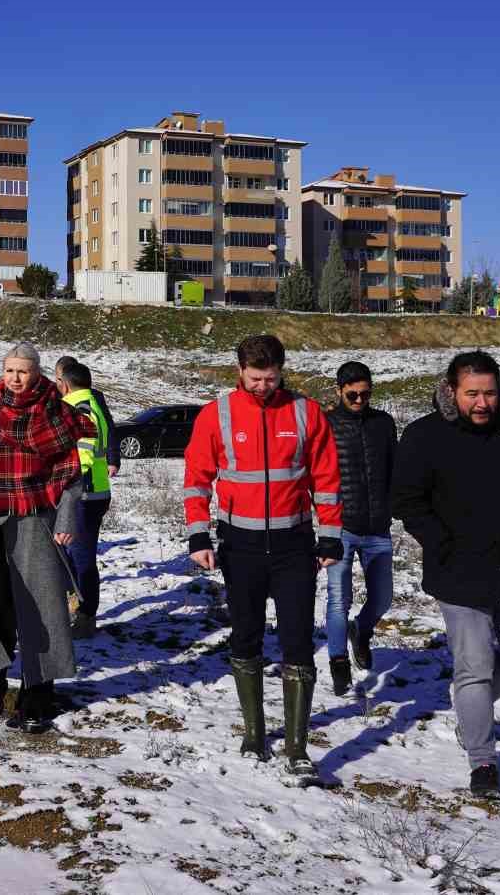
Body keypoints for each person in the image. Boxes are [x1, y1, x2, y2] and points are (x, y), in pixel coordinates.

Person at [391, 350, 500, 803]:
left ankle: (470, 708)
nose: (483, 402)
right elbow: (406, 500)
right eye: (473, 394)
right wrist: (440, 542)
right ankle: (482, 759)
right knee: (475, 667)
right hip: (459, 573)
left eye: (490, 392)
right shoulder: (424, 436)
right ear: (451, 391)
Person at [183, 334, 342, 783]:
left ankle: (297, 748)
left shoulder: (306, 412)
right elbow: (196, 478)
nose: (262, 387)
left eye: (270, 379)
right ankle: (254, 733)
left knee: (297, 641)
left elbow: (327, 478)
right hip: (240, 545)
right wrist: (199, 534)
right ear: (240, 371)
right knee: (246, 636)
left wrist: (329, 538)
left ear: (281, 371)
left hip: (295, 545)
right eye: (255, 378)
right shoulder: (218, 413)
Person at [0, 343, 90, 733]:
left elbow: (71, 475)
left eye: (22, 371)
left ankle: (37, 692)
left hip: (35, 523)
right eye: (9, 370)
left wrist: (66, 519)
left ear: (37, 373)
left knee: (39, 611)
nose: (14, 378)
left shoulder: (56, 413)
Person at [322, 360, 399, 696]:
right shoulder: (326, 425)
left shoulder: (383, 423)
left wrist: (395, 506)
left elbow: (395, 469)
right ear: (340, 391)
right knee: (339, 599)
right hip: (341, 527)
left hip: (378, 528)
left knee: (383, 598)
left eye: (365, 394)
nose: (358, 400)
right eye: (352, 394)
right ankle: (338, 661)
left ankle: (361, 631)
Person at [54, 359, 110, 639]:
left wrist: (65, 485)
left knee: (81, 557)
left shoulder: (79, 407)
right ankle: (77, 606)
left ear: (64, 382)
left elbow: (84, 454)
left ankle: (85, 616)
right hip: (92, 493)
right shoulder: (91, 402)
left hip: (84, 496)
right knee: (71, 554)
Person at [55, 355, 121, 476]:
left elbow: (108, 429)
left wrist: (113, 460)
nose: (60, 384)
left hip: (81, 480)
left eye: (62, 380)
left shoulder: (84, 404)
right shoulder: (54, 398)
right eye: (58, 379)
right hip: (95, 479)